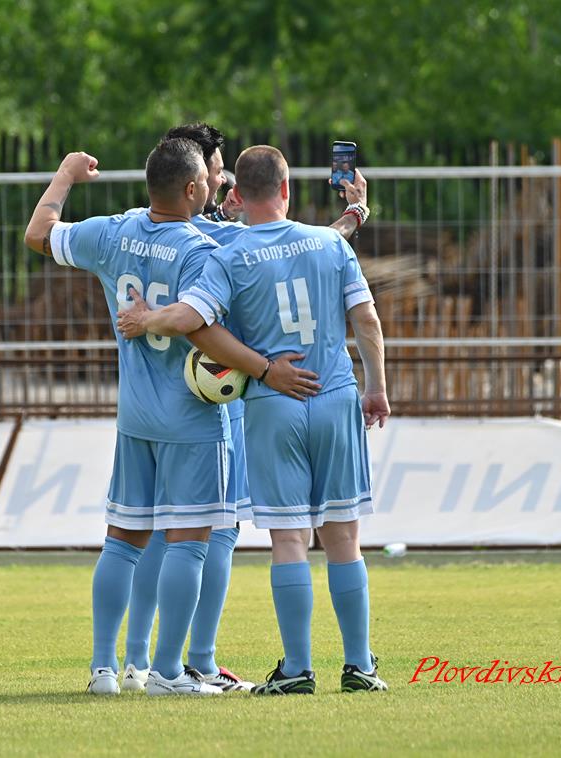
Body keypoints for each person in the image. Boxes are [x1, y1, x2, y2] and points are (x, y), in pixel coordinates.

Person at [23, 140, 318, 696]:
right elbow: (201, 327)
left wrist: (64, 175)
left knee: (121, 541)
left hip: (135, 415)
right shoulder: (203, 250)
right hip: (193, 417)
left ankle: (104, 669)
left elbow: (39, 233)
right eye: (208, 178)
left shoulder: (113, 231)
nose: (213, 185)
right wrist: (264, 369)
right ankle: (168, 671)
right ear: (190, 188)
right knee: (190, 542)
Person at [116, 145, 388, 694]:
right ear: (287, 189)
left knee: (289, 541)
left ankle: (297, 670)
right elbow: (366, 320)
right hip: (335, 394)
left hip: (273, 403)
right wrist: (376, 389)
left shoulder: (230, 254)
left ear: (237, 195)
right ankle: (360, 666)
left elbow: (191, 319)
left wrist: (147, 320)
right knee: (344, 537)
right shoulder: (330, 243)